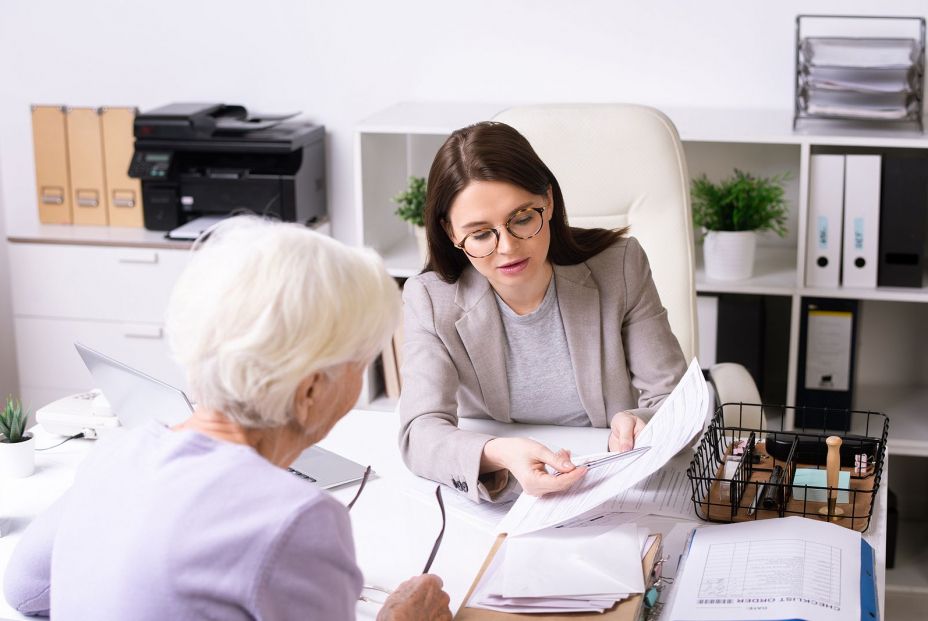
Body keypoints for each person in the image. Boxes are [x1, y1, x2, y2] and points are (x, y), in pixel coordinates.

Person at [4, 218, 452, 621]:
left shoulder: (118, 454)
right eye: (360, 364)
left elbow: (23, 592)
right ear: (311, 391)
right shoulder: (297, 520)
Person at [399, 121, 687, 503]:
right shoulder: (430, 299)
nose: (507, 247)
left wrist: (640, 422)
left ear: (548, 201)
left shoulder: (619, 267)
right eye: (481, 234)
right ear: (452, 234)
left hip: (612, 485)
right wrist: (498, 452)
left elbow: (675, 400)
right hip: (505, 494)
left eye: (521, 219)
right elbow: (419, 433)